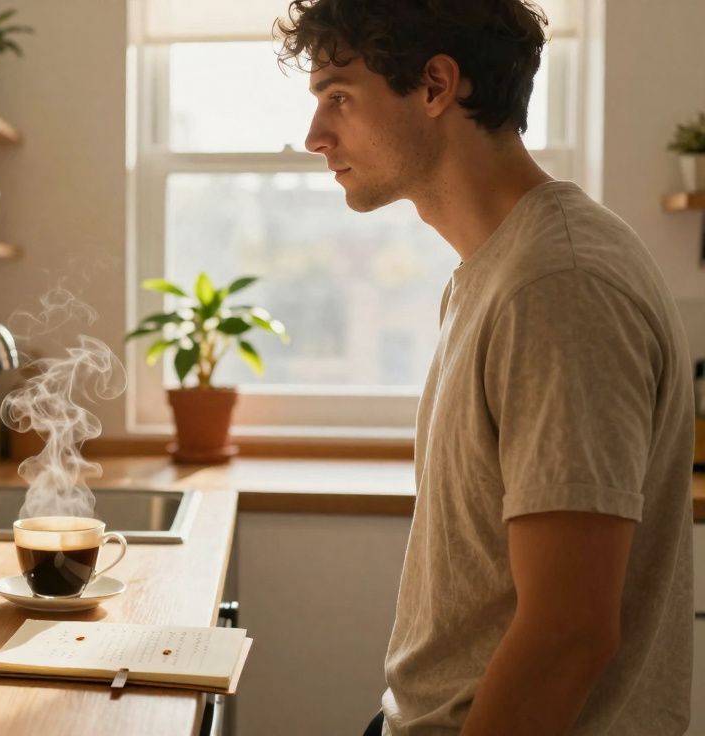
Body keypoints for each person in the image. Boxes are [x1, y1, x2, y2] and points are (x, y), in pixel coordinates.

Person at [274, 1, 695, 734]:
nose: (314, 136)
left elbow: (569, 633)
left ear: (436, 86)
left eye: (338, 96)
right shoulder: (497, 271)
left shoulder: (558, 285)